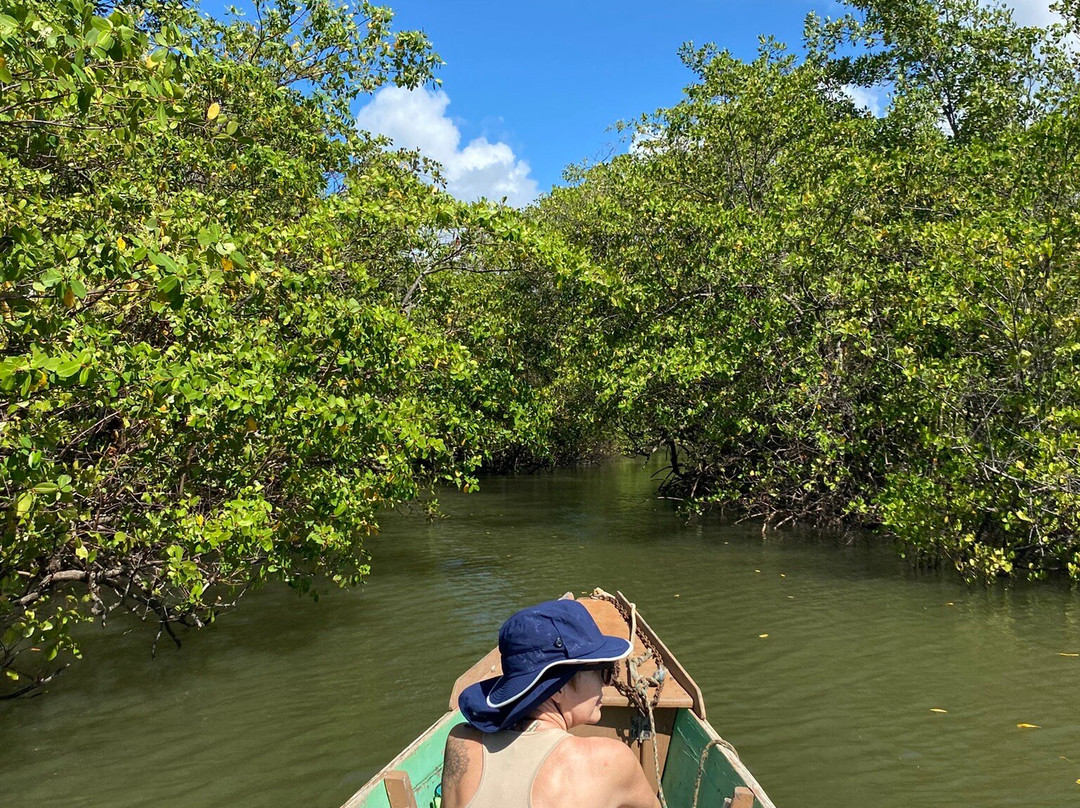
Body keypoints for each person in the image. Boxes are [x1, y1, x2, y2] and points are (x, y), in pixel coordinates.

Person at [440, 599, 661, 808]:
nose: (608, 683)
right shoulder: (611, 760)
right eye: (604, 671)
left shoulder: (460, 742)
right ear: (557, 688)